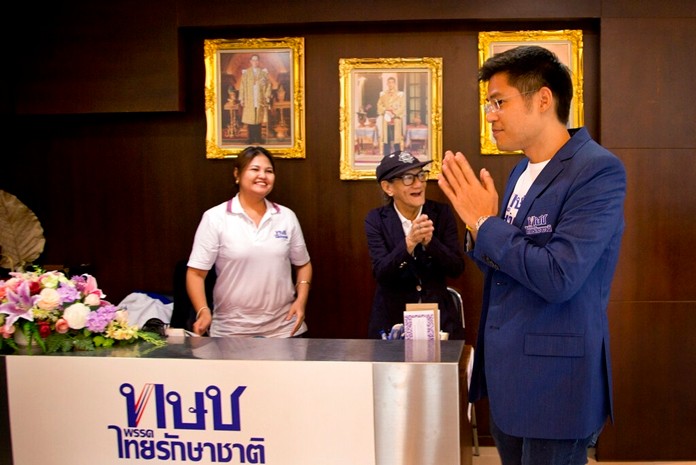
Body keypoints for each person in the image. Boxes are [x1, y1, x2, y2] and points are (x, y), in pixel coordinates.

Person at [437, 46, 626, 464]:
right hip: (508, 373)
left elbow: (559, 275)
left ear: (543, 99)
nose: (490, 115)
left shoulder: (597, 170)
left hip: (556, 382)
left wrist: (486, 226)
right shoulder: (521, 170)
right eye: (489, 104)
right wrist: (477, 229)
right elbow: (508, 266)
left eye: (499, 102)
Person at [186, 146, 312, 337]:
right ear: (237, 174)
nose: (263, 175)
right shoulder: (215, 217)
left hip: (284, 329)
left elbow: (303, 264)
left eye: (268, 171)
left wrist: (300, 301)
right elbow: (195, 273)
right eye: (255, 169)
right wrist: (203, 310)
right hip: (231, 331)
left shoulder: (286, 217)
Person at [365, 150, 466, 340]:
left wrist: (430, 242)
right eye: (408, 178)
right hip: (392, 321)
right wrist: (409, 243)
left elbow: (456, 268)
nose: (418, 184)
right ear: (388, 187)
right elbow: (381, 273)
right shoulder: (376, 220)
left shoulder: (441, 213)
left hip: (440, 321)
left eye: (421, 175)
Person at [238, 54, 272, 144]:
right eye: (253, 60)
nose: (255, 62)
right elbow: (242, 86)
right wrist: (242, 98)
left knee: (258, 119)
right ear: (250, 61)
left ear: (258, 62)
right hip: (249, 99)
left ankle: (258, 138)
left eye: (256, 60)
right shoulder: (246, 73)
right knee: (250, 119)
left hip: (260, 99)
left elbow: (268, 85)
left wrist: (267, 96)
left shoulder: (264, 73)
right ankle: (251, 138)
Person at [377, 76, 406, 156]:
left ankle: (397, 157)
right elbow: (379, 105)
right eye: (389, 82)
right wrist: (386, 111)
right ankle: (387, 157)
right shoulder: (383, 94)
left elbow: (402, 107)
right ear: (387, 84)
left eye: (392, 82)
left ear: (395, 84)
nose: (390, 84)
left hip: (396, 120)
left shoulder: (400, 95)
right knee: (387, 139)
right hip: (386, 120)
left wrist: (394, 113)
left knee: (397, 139)